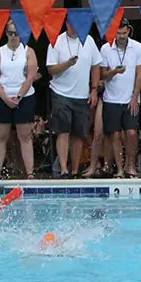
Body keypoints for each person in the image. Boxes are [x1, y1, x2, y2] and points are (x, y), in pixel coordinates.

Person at [46, 19, 102, 178]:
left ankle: (75, 170)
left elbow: (96, 65)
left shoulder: (88, 40)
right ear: (66, 24)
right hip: (60, 93)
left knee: (79, 133)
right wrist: (68, 64)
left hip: (81, 94)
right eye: (72, 23)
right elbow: (51, 69)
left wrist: (94, 90)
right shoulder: (56, 40)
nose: (75, 26)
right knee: (63, 131)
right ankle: (63, 169)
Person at [0, 19, 38, 179]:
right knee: (1, 135)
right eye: (11, 33)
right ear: (6, 34)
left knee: (25, 136)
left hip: (24, 97)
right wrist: (5, 98)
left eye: (16, 33)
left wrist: (18, 97)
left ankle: (30, 172)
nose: (14, 36)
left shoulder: (28, 51)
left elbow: (30, 76)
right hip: (2, 97)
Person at [99, 17, 141, 178]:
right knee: (115, 135)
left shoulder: (138, 47)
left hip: (130, 99)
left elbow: (140, 74)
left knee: (132, 133)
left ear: (129, 31)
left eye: (124, 33)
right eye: (118, 33)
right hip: (111, 99)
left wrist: (135, 97)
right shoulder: (106, 48)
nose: (121, 36)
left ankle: (130, 165)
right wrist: (114, 72)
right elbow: (103, 74)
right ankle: (119, 168)